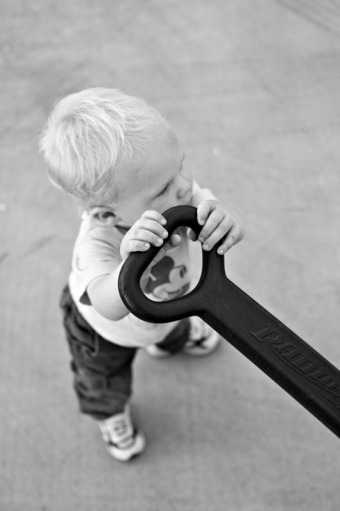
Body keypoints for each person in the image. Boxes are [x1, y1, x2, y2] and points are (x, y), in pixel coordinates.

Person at [39, 87, 245, 462]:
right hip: (104, 333)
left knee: (172, 321)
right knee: (103, 380)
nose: (184, 185)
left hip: (174, 301)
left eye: (180, 166)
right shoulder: (96, 244)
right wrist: (129, 259)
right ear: (107, 215)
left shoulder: (179, 194)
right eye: (164, 186)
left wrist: (219, 217)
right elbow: (108, 305)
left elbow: (203, 200)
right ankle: (111, 415)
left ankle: (169, 340)